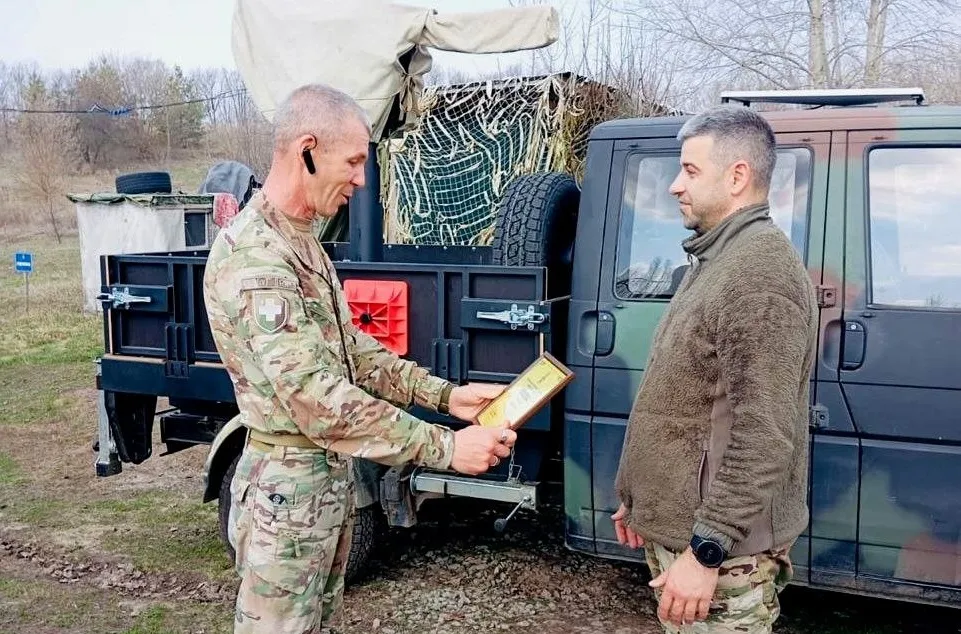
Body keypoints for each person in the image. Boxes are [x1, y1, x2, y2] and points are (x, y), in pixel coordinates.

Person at [202, 83, 517, 634]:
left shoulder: (301, 240)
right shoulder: (257, 256)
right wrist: (444, 447)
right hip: (286, 495)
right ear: (306, 150)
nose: (361, 178)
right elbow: (316, 397)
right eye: (351, 161)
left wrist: (446, 396)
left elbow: (354, 352)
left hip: (320, 486)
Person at [611, 105, 818, 633]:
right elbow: (682, 399)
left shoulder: (758, 274)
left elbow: (765, 434)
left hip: (723, 556)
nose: (676, 186)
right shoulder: (716, 260)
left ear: (738, 176)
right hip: (686, 533)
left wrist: (706, 552)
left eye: (690, 171)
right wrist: (638, 496)